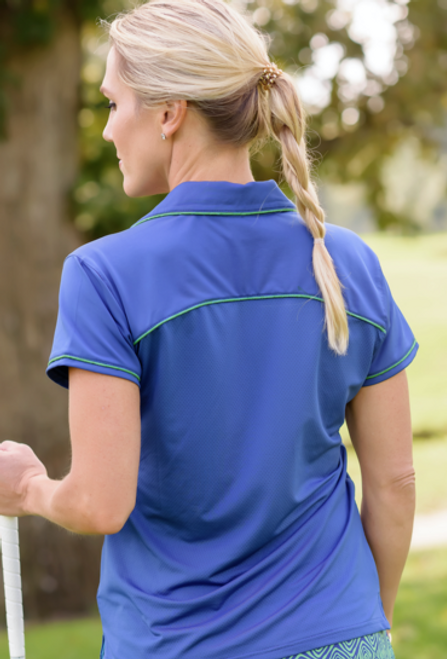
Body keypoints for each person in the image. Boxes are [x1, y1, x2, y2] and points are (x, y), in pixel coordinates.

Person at [0, 1, 418, 658]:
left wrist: (25, 487)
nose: (109, 130)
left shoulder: (104, 273)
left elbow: (99, 502)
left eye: (113, 104)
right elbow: (393, 483)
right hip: (344, 636)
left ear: (168, 113)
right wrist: (366, 624)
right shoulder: (346, 262)